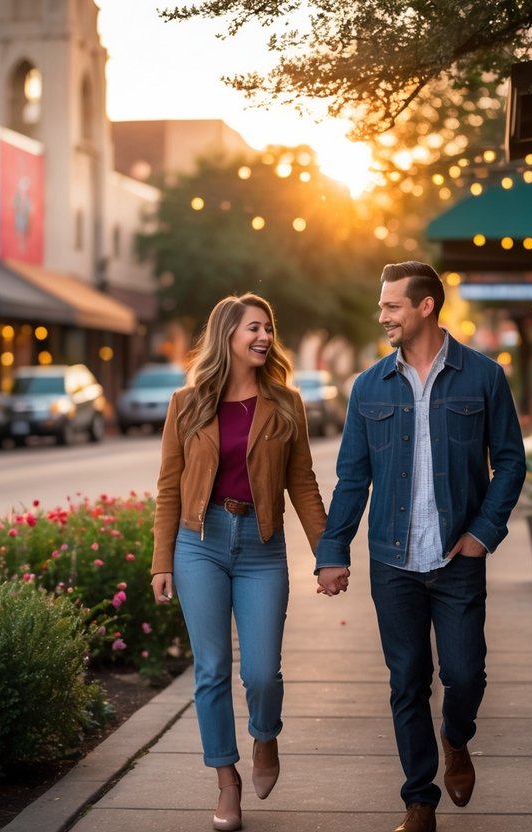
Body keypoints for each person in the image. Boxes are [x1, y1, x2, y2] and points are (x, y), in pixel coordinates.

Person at [315, 262, 525, 832]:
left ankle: (456, 737)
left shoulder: (483, 377)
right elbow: (353, 477)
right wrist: (333, 550)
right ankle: (419, 799)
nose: (382, 316)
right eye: (382, 306)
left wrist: (484, 534)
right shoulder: (368, 386)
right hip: (392, 560)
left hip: (458, 558)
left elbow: (510, 462)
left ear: (425, 306)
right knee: (407, 679)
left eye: (391, 307)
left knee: (465, 674)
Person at [151, 293, 327, 832]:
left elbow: (301, 481)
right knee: (210, 671)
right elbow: (168, 488)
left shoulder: (285, 402)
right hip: (198, 543)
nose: (265, 336)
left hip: (260, 545)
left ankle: (265, 736)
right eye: (255, 327)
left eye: (269, 328)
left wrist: (329, 553)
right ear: (228, 333)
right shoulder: (187, 402)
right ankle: (226, 783)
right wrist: (162, 562)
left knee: (261, 673)